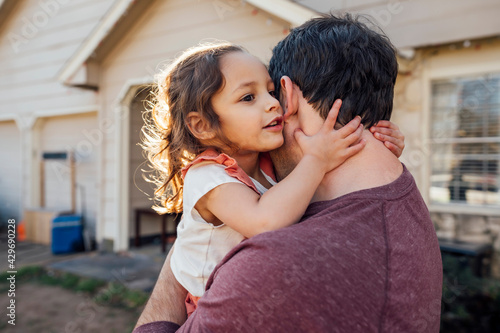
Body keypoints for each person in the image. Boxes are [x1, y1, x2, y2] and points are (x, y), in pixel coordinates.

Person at [135, 13, 442, 333]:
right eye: (248, 97)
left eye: (270, 93)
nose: (270, 105)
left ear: (287, 94)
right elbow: (265, 218)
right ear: (202, 125)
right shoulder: (210, 175)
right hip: (197, 296)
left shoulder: (275, 260)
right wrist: (322, 158)